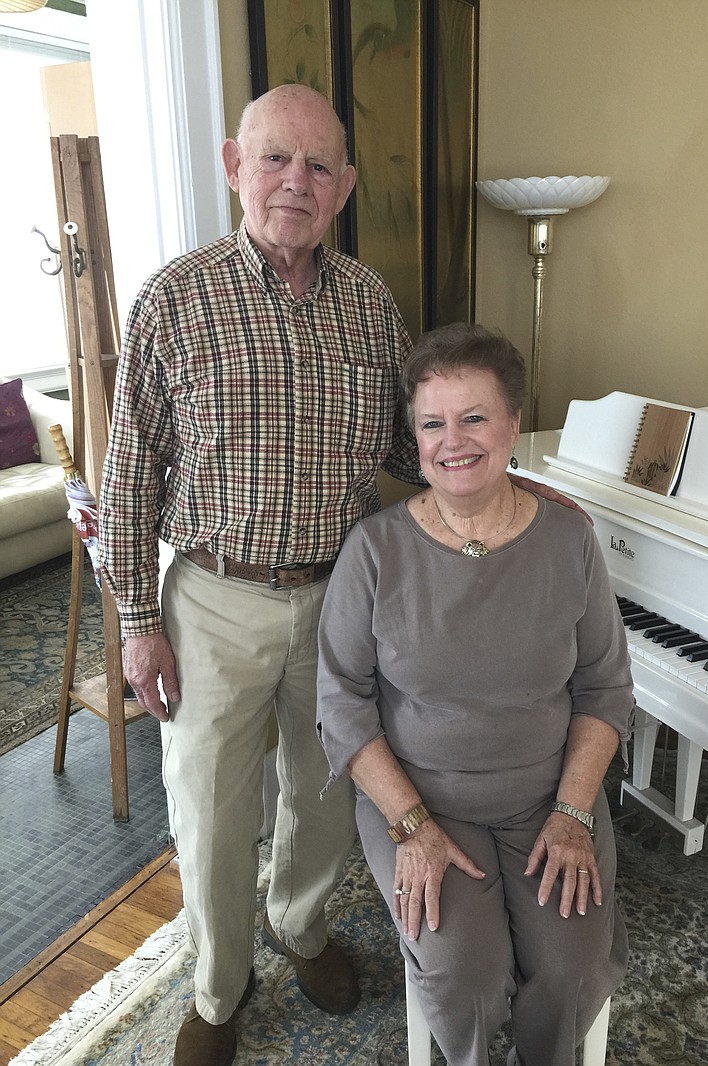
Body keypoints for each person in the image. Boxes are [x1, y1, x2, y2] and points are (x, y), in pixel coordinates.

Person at [100, 86, 582, 1066]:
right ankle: (217, 987)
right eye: (275, 159)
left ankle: (302, 925)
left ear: (344, 187)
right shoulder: (174, 297)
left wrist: (517, 493)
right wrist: (134, 618)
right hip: (212, 599)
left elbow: (417, 447)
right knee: (209, 809)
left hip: (339, 596)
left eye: (318, 167)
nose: (296, 183)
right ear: (236, 165)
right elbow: (127, 471)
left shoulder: (368, 304)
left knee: (323, 797)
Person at [316, 323, 635, 1066]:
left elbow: (604, 685)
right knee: (469, 976)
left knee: (572, 967)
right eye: (432, 423)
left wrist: (573, 811)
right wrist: (413, 828)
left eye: (474, 417)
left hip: (549, 800)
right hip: (422, 805)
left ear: (513, 424)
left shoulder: (568, 540)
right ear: (415, 437)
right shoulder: (376, 549)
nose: (451, 440)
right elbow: (341, 703)